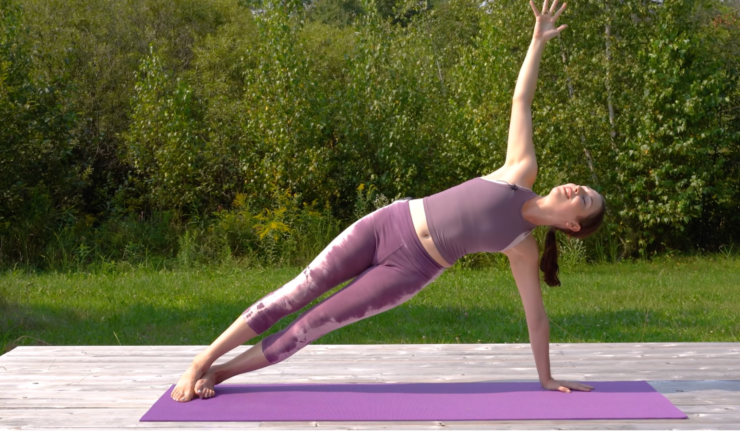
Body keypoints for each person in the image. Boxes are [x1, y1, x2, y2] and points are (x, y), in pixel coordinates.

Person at [170, 0, 604, 402]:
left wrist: (546, 378)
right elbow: (521, 100)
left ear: (572, 226)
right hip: (387, 225)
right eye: (583, 186)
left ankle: (222, 374)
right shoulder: (520, 171)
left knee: (309, 327)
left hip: (411, 270)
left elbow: (537, 318)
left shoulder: (522, 248)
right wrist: (536, 42)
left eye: (584, 200)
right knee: (294, 294)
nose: (576, 189)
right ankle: (201, 361)